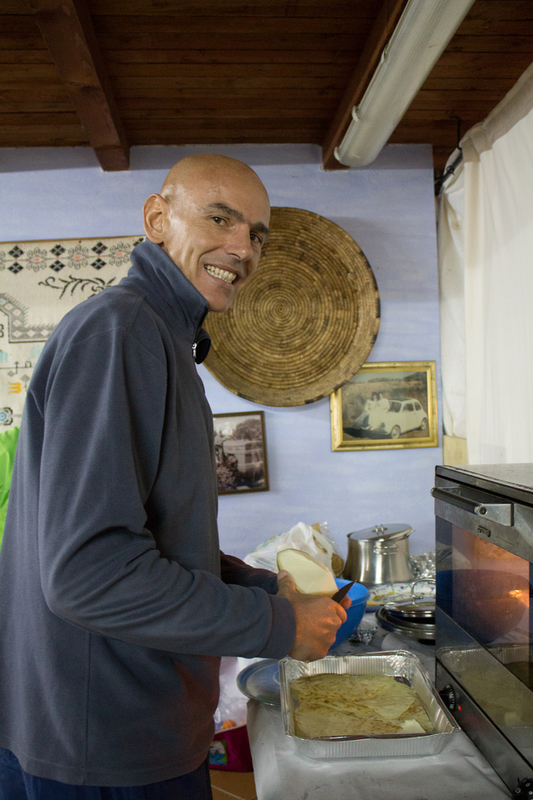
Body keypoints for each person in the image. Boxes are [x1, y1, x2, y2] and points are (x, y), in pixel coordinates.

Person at [0, 154, 349, 799]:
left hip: (122, 730)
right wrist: (278, 626)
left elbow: (150, 537)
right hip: (106, 743)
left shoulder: (158, 336)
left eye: (257, 236)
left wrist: (265, 585)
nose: (241, 248)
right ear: (157, 219)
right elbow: (90, 575)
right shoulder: (121, 330)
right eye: (220, 218)